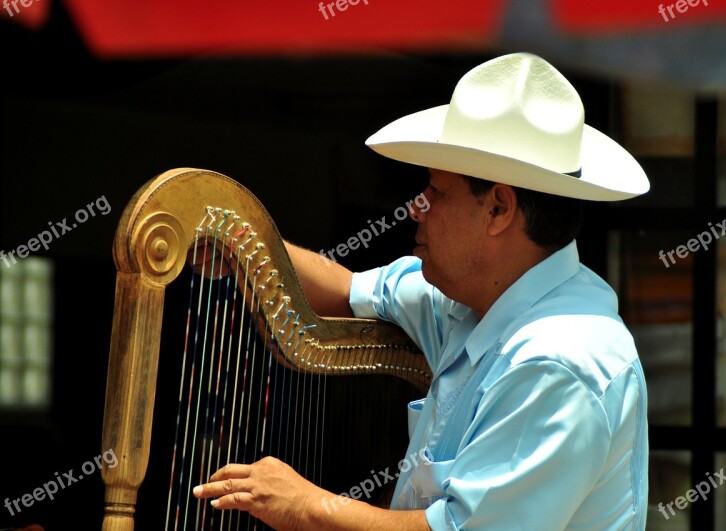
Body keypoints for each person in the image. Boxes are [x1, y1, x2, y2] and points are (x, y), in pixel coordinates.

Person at [193, 52, 651, 530]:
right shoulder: (472, 297)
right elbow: (348, 290)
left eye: (438, 192)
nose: (417, 208)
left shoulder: (557, 362)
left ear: (498, 209)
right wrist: (240, 245)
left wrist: (302, 504)